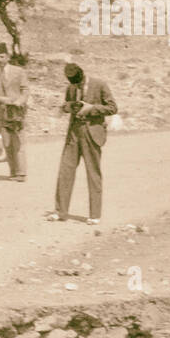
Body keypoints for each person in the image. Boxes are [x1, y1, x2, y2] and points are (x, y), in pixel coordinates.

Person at [48, 62, 117, 224]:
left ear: (82, 75)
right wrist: (66, 107)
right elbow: (66, 105)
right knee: (65, 171)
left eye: (78, 83)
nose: (76, 86)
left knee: (93, 173)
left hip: (92, 133)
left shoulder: (99, 84)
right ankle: (60, 211)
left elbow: (113, 108)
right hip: (74, 133)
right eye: (73, 84)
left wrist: (91, 108)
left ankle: (94, 215)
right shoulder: (71, 87)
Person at [0, 42, 28, 181]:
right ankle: (13, 172)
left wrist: (19, 101)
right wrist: (3, 100)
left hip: (17, 113)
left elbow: (25, 90)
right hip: (2, 113)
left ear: (8, 57)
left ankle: (21, 173)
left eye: (2, 57)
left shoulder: (19, 71)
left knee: (19, 142)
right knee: (7, 143)